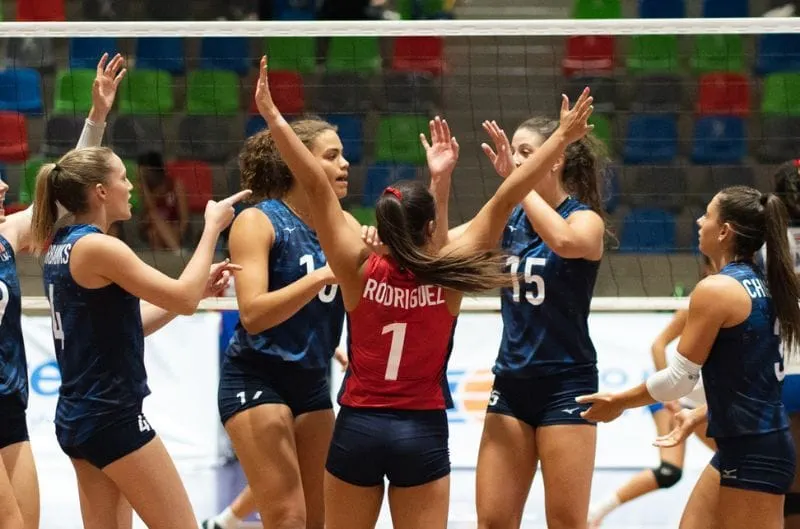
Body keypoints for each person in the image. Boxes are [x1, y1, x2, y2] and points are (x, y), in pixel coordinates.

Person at [254, 54, 594, 529]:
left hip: (358, 427)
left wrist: (272, 117)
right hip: (421, 432)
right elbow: (508, 195)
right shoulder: (449, 274)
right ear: (433, 226)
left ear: (381, 226)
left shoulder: (355, 266)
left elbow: (314, 185)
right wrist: (562, 135)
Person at [31, 98, 250, 528]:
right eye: (123, 178)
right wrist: (211, 227)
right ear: (100, 192)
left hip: (79, 418)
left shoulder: (62, 246)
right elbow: (183, 298)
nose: (131, 186)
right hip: (112, 416)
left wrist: (197, 292)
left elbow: (142, 320)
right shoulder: (100, 247)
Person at [578, 186, 800, 529]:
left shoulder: (717, 289)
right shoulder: (763, 283)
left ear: (724, 231)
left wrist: (619, 401)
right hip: (750, 443)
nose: (699, 222)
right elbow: (754, 379)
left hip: (754, 450)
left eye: (707, 214)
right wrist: (702, 412)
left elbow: (679, 379)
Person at [0, 52, 125, 529]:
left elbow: (59, 196)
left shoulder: (8, 236)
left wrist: (96, 116)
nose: (3, 187)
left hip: (10, 404)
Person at [468, 115, 606, 529]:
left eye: (526, 152)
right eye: (513, 151)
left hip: (567, 382)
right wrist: (439, 184)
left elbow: (564, 242)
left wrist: (515, 181)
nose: (515, 159)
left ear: (555, 159)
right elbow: (449, 249)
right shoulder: (507, 217)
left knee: (565, 522)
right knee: (493, 521)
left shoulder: (585, 219)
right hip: (511, 382)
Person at [586, 261, 717, 528]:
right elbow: (658, 345)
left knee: (729, 463)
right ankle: (595, 513)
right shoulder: (698, 301)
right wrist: (670, 397)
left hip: (704, 405)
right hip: (675, 399)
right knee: (673, 471)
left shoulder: (739, 302)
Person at [138, 151, 189, 253]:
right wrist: (143, 183)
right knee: (153, 227)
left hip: (174, 228)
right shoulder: (146, 190)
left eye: (147, 173)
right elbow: (148, 211)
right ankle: (177, 251)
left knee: (155, 233)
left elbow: (184, 218)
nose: (147, 176)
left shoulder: (175, 185)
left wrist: (180, 233)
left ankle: (171, 254)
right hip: (151, 228)